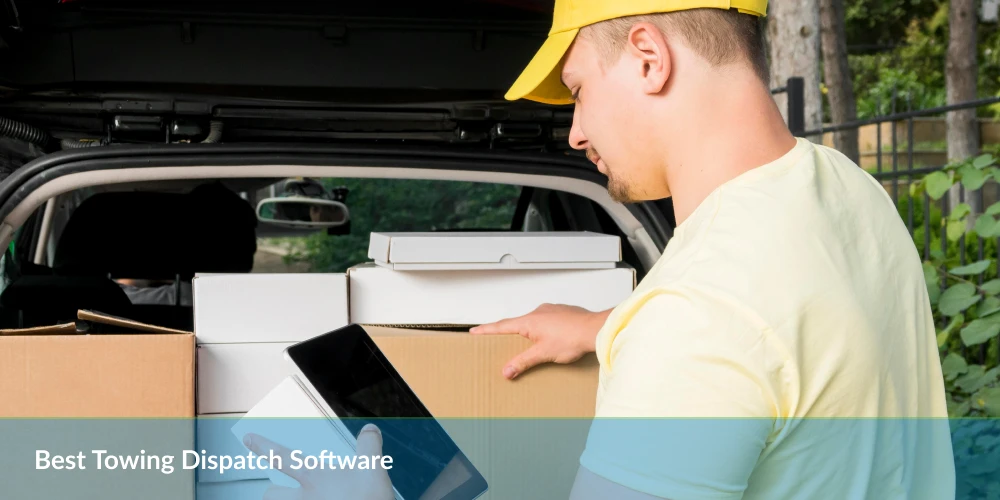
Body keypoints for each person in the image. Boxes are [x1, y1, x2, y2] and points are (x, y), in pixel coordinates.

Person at [245, 1, 956, 498]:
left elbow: (716, 334)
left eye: (579, 90)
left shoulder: (697, 320)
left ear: (649, 57)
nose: (576, 131)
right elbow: (790, 345)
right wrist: (612, 328)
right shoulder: (847, 190)